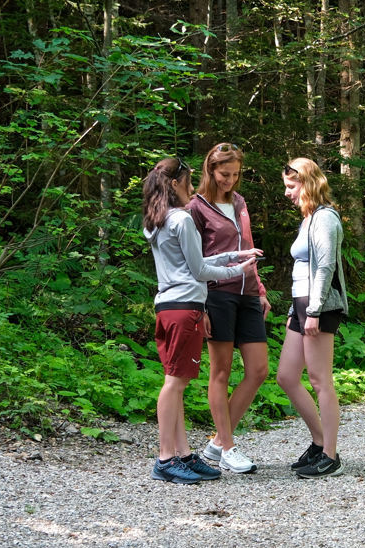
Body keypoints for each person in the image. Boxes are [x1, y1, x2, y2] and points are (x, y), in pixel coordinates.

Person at [142, 157, 263, 485]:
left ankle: (181, 454)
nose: (192, 187)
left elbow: (190, 261)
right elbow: (197, 270)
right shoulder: (181, 219)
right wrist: (237, 271)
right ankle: (166, 458)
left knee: (174, 380)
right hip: (185, 307)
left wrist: (231, 256)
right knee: (175, 383)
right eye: (188, 181)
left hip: (167, 305)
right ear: (174, 184)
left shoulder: (156, 221)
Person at [185, 142, 271, 474]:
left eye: (235, 174)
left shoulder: (239, 202)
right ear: (210, 169)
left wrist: (260, 289)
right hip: (216, 294)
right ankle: (228, 446)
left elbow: (247, 248)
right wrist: (201, 303)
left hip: (248, 291)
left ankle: (217, 443)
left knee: (259, 369)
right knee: (220, 371)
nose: (230, 181)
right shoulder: (196, 207)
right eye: (224, 174)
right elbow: (192, 261)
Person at [273, 157, 349, 479]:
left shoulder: (326, 219)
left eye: (292, 187)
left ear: (306, 182)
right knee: (287, 376)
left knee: (320, 381)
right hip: (301, 304)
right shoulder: (308, 219)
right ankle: (319, 442)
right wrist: (298, 309)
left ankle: (330, 455)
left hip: (320, 306)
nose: (288, 193)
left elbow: (325, 267)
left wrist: (314, 311)